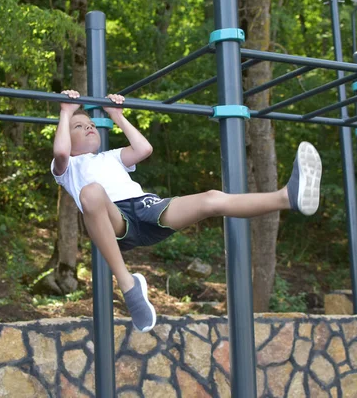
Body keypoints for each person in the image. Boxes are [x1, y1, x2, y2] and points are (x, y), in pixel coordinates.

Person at [51, 90, 322, 332]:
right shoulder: (67, 169)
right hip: (117, 222)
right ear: (66, 133)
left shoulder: (110, 157)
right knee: (91, 192)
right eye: (79, 126)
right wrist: (66, 112)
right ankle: (127, 285)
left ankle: (288, 197)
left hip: (148, 207)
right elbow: (62, 152)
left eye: (91, 125)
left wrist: (118, 116)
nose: (88, 127)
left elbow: (144, 149)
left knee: (212, 199)